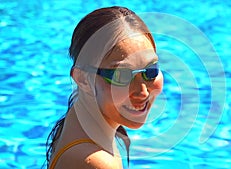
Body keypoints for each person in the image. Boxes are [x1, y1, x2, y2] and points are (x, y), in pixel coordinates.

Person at [46, 6, 163, 169]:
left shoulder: (78, 119)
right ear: (83, 79)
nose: (142, 92)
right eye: (121, 76)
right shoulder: (97, 162)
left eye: (151, 71)